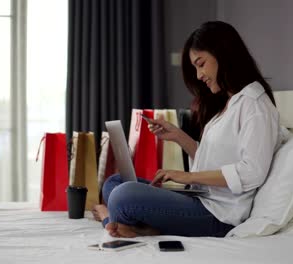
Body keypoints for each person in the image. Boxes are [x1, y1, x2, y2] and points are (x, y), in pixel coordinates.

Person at [92, 21, 282, 238]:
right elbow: (214, 159)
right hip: (202, 197)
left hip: (220, 215)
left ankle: (112, 220)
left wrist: (188, 177)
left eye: (201, 64)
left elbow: (252, 172)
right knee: (114, 183)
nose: (199, 75)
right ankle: (137, 226)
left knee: (122, 196)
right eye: (196, 68)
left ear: (224, 54)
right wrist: (177, 135)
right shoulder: (230, 102)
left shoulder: (254, 105)